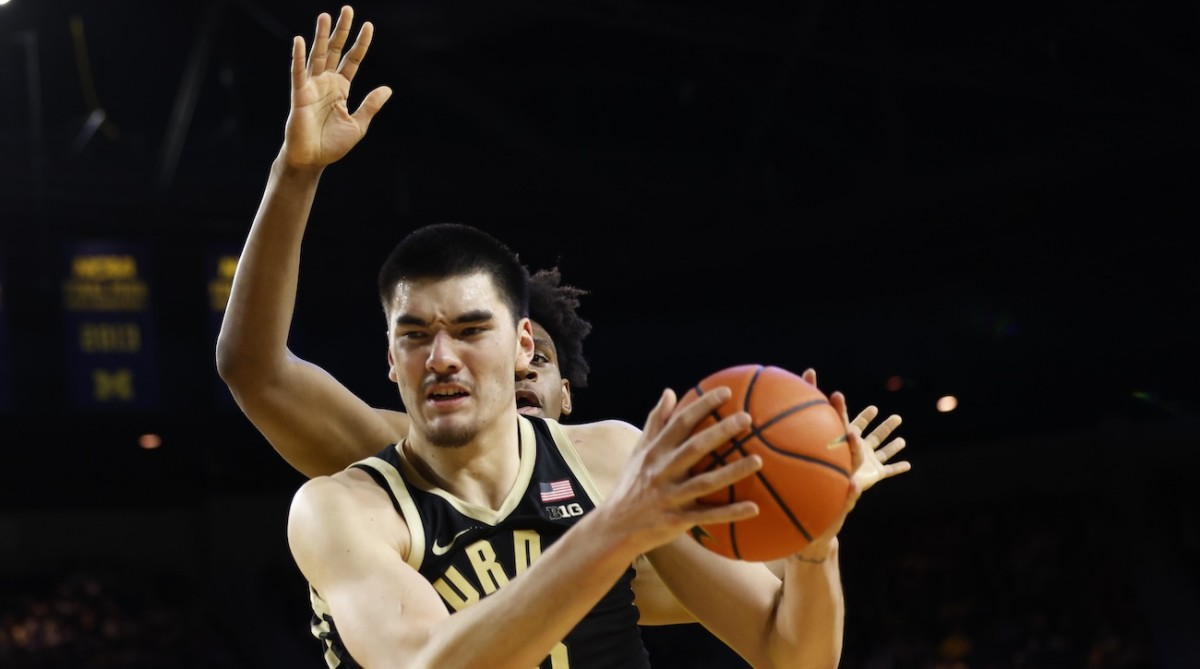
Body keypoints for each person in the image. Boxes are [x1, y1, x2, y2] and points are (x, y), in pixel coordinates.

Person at [220, 7, 911, 668]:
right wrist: (297, 170)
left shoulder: (613, 461)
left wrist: (814, 541)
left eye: (470, 331)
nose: (443, 356)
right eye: (416, 336)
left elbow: (795, 656)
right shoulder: (352, 494)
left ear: (527, 350)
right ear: (391, 358)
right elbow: (256, 370)